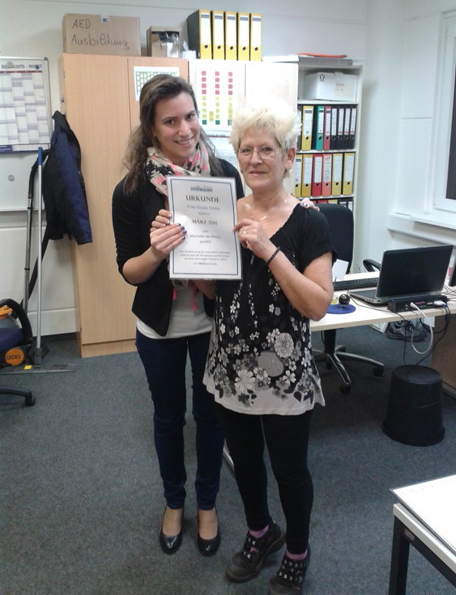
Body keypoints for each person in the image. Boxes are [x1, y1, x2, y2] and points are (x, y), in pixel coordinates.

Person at [202, 99, 334, 594]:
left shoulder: (309, 221)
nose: (254, 159)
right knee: (244, 460)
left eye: (266, 149)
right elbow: (218, 292)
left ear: (289, 157)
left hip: (283, 373)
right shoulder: (223, 212)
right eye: (245, 149)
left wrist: (268, 249)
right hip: (230, 365)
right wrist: (187, 261)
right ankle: (261, 532)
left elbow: (317, 304)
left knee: (289, 470)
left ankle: (297, 549)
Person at [111, 74, 244, 557]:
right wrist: (156, 251)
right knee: (168, 417)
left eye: (190, 116)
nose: (185, 129)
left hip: (212, 320)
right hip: (159, 324)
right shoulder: (131, 190)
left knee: (210, 416)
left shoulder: (224, 175)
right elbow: (128, 270)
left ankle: (207, 504)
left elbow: (241, 250)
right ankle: (174, 502)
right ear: (151, 128)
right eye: (170, 121)